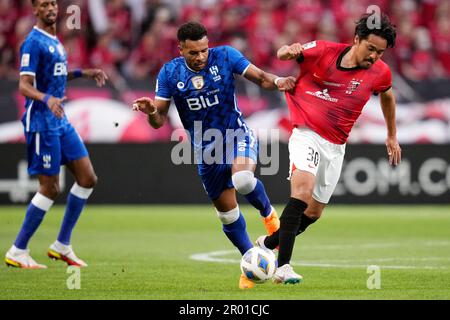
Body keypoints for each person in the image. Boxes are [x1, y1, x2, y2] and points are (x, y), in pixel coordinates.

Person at [132, 21, 296, 289]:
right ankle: (250, 263)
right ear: (181, 49)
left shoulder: (225, 56)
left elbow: (261, 77)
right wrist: (151, 111)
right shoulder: (170, 73)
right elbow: (159, 120)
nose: (200, 57)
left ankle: (268, 215)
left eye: (203, 50)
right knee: (228, 216)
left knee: (243, 179)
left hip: (235, 135)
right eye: (193, 52)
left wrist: (280, 81)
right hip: (205, 152)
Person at [256, 13, 402, 284]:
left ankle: (267, 243)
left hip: (336, 146)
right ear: (357, 39)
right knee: (301, 193)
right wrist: (288, 52)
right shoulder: (323, 51)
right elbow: (284, 52)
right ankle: (283, 266)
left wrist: (392, 135)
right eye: (371, 49)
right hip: (306, 133)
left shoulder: (380, 72)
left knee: (313, 213)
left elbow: (388, 97)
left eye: (380, 52)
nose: (374, 56)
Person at [5, 0, 108, 269]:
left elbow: (57, 75)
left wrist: (84, 73)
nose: (51, 8)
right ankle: (18, 250)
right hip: (41, 122)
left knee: (87, 178)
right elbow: (24, 86)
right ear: (35, 10)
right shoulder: (33, 43)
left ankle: (62, 245)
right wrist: (47, 98)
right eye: (44, 4)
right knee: (50, 188)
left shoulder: (56, 39)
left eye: (53, 3)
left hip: (60, 121)